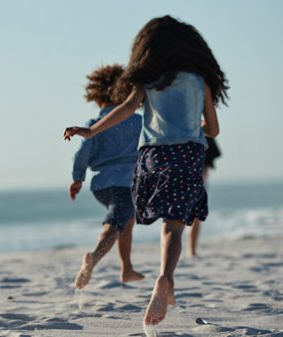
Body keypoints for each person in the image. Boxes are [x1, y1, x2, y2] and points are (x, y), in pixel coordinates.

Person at [64, 15, 227, 326]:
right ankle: (165, 278)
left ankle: (157, 278)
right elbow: (214, 130)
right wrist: (195, 126)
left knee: (134, 215)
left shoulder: (147, 81)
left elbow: (125, 108)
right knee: (174, 226)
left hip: (153, 157)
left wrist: (89, 132)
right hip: (188, 154)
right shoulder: (199, 81)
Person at [68, 64, 145, 290]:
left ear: (97, 94)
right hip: (126, 183)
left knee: (126, 221)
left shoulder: (95, 124)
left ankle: (127, 268)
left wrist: (77, 178)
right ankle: (93, 258)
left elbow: (83, 152)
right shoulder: (137, 121)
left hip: (101, 185)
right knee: (115, 222)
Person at [188, 136, 221, 257]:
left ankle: (191, 249)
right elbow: (216, 153)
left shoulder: (182, 131)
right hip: (200, 179)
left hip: (186, 177)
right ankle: (191, 249)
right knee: (195, 216)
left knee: (175, 217)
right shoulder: (204, 133)